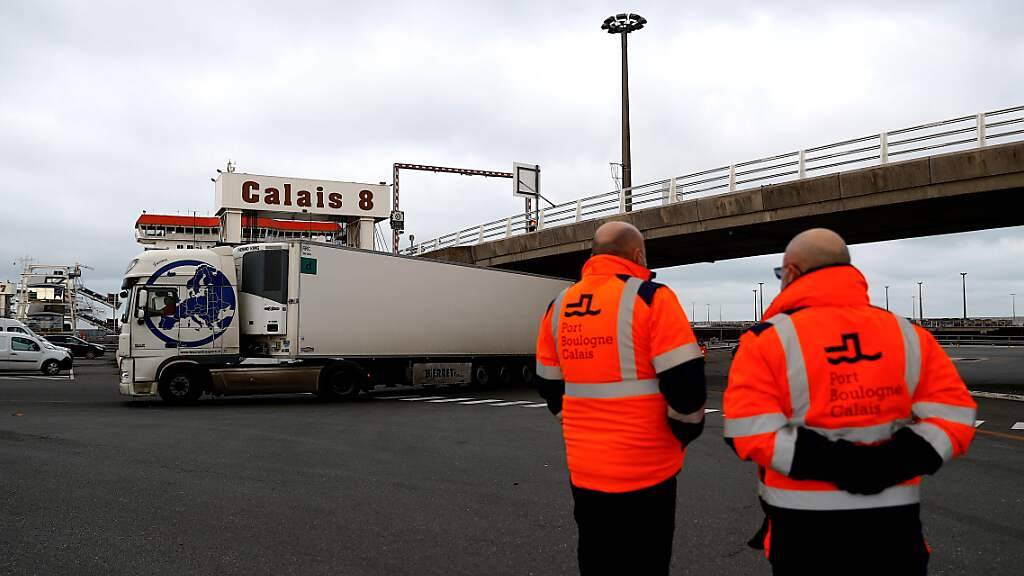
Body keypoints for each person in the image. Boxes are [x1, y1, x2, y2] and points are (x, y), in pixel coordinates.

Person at [723, 228, 976, 576]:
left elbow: (746, 430)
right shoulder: (907, 334)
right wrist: (889, 462)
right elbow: (956, 416)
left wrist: (838, 464)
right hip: (894, 532)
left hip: (802, 536)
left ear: (792, 273)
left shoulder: (766, 340)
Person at [534, 221, 707, 575]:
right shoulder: (651, 297)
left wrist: (574, 421)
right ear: (638, 255)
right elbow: (687, 389)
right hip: (648, 471)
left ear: (593, 256)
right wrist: (682, 434)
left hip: (586, 471)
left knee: (596, 559)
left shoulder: (559, 306)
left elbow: (549, 386)